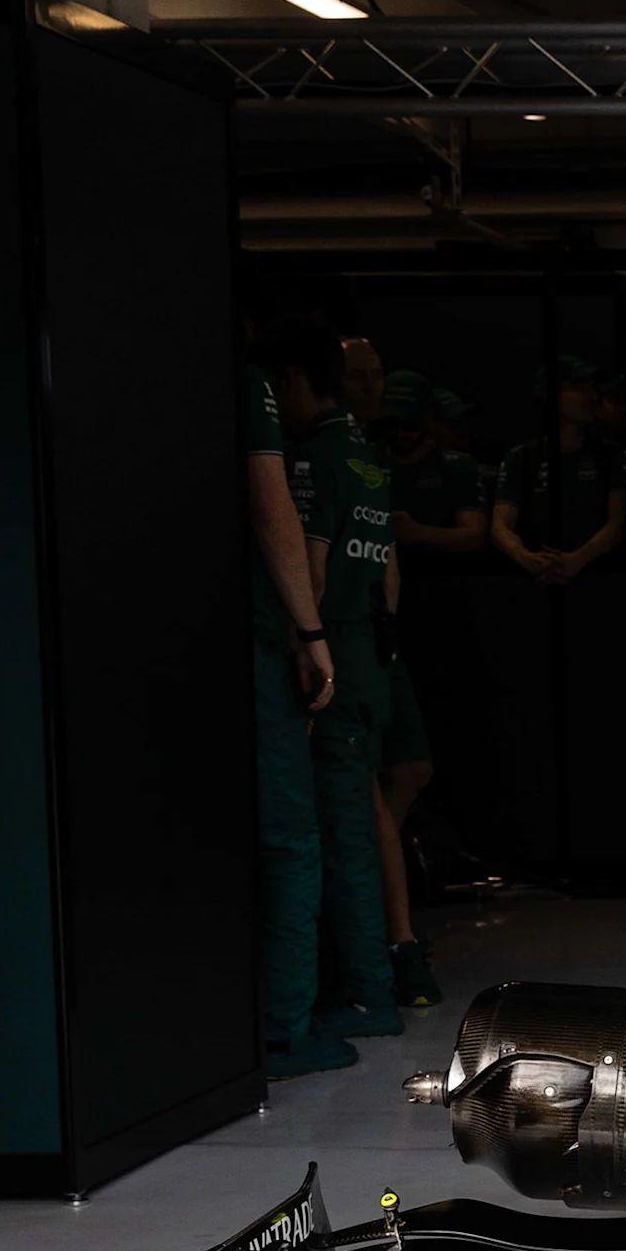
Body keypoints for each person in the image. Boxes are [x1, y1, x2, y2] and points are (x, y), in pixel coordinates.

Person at [275, 327, 407, 1048]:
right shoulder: (370, 459)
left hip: (332, 657)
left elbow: (313, 568)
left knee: (343, 833)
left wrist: (306, 642)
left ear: (297, 381)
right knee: (358, 821)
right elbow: (388, 574)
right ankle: (372, 979)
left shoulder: (316, 459)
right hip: (370, 657)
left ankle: (363, 992)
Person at [244, 322, 345, 1077]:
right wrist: (310, 630)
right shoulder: (244, 384)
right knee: (286, 839)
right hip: (253, 643)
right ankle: (284, 1028)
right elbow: (272, 504)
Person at [348, 363, 466, 1010]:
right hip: (337, 643)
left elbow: (383, 551)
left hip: (376, 640)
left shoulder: (366, 456)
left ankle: (371, 885)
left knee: (411, 768)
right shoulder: (321, 455)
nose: (368, 385)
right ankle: (392, 937)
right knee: (357, 790)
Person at [493, 374, 626, 585]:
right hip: (536, 583)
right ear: (549, 396)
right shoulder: (522, 457)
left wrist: (578, 559)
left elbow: (619, 523)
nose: (591, 397)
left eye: (591, 388)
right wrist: (526, 557)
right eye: (579, 388)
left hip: (602, 581)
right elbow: (500, 526)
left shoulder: (612, 456)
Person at [378, 371, 490, 556]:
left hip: (439, 575)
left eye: (409, 425)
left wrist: (417, 532)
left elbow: (476, 536)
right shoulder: (365, 459)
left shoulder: (457, 466)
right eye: (390, 424)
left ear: (427, 419)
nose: (399, 433)